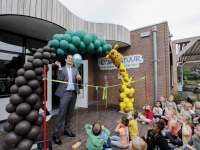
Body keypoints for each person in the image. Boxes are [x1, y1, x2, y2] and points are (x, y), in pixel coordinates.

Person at [52, 54, 81, 145]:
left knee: (70, 112)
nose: (70, 60)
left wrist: (79, 78)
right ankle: (55, 134)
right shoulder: (62, 68)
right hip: (65, 93)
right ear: (65, 59)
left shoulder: (75, 69)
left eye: (72, 59)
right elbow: (60, 78)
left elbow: (78, 78)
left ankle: (66, 129)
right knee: (61, 113)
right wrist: (59, 67)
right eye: (69, 58)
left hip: (74, 93)